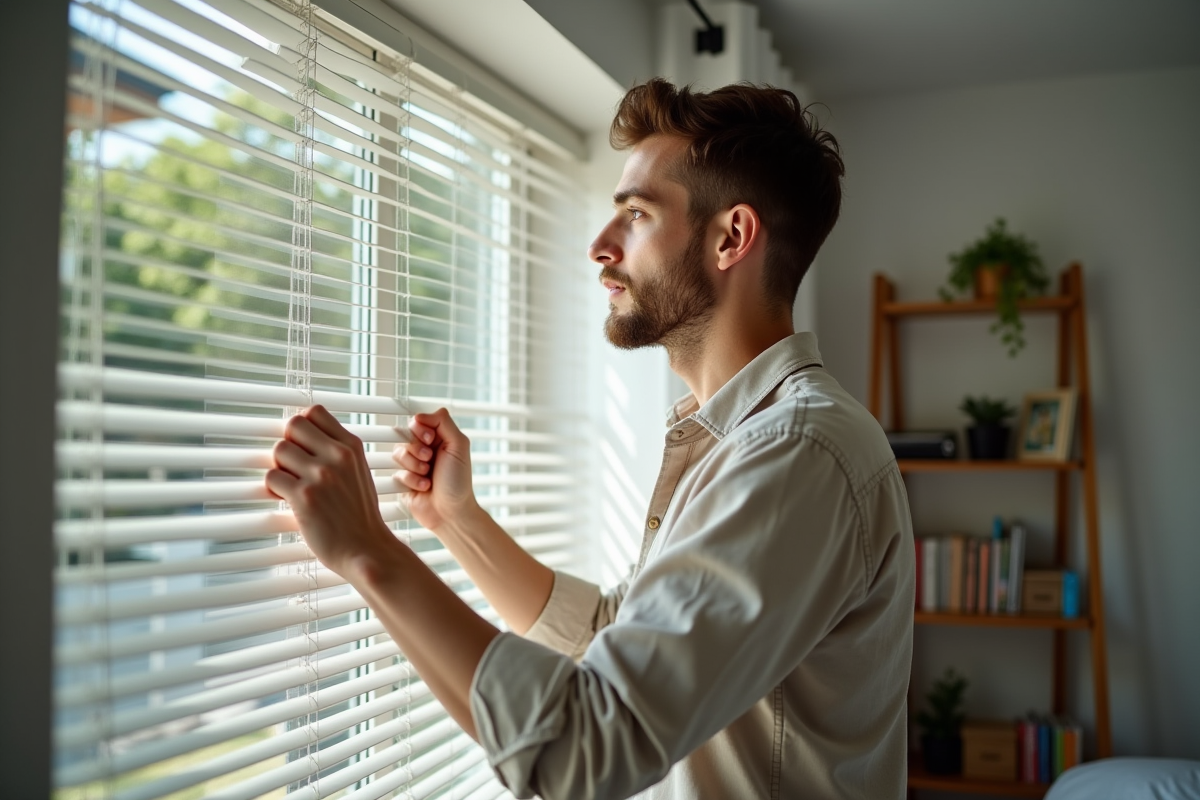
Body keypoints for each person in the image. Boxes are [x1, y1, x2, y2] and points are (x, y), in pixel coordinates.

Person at [266, 78, 915, 800]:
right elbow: (613, 631)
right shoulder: (748, 439)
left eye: (635, 215)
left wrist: (366, 551)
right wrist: (455, 523)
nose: (599, 247)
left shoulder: (797, 454)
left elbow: (585, 749)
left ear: (731, 237)